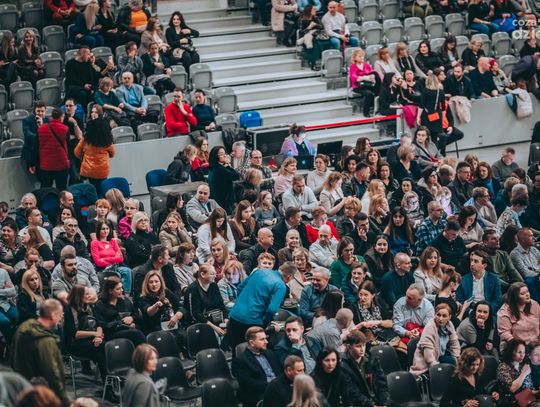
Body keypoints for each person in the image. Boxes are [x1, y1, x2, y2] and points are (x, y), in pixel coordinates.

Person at [12, 299, 69, 407]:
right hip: (43, 395)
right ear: (53, 315)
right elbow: (52, 373)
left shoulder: (22, 329)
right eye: (60, 314)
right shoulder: (46, 341)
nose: (61, 317)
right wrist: (63, 400)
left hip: (25, 388)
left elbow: (13, 357)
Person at [228, 262, 296, 349]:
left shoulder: (259, 271)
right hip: (253, 321)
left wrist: (243, 303)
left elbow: (240, 287)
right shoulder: (281, 285)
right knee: (256, 352)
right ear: (290, 276)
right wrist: (265, 323)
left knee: (237, 350)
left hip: (235, 316)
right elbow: (271, 310)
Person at [63, 285, 106, 381]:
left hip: (90, 341)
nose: (89, 296)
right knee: (103, 347)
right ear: (79, 296)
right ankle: (110, 380)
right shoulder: (69, 310)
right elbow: (74, 334)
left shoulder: (88, 306)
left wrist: (98, 336)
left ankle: (108, 383)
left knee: (100, 354)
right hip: (74, 345)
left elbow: (98, 324)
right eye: (86, 294)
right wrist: (94, 334)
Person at [232, 326, 282, 407]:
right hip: (260, 394)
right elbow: (249, 385)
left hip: (278, 388)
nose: (266, 342)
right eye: (262, 339)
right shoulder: (240, 361)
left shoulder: (269, 353)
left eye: (266, 338)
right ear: (252, 342)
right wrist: (273, 386)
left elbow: (279, 372)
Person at [340, 330, 391, 406]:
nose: (362, 349)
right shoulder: (343, 366)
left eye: (364, 345)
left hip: (378, 400)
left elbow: (382, 384)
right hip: (360, 404)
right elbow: (353, 391)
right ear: (349, 347)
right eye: (358, 346)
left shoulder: (372, 360)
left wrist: (385, 403)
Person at [410, 302, 460, 375]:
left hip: (440, 357)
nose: (440, 318)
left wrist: (456, 359)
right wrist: (438, 370)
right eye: (438, 315)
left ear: (449, 317)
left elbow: (454, 343)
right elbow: (429, 357)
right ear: (435, 314)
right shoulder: (430, 328)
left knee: (454, 364)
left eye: (444, 316)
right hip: (426, 364)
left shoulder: (449, 325)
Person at [94, 276, 146, 345]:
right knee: (136, 334)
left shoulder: (126, 301)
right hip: (111, 333)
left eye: (121, 288)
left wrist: (132, 318)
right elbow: (102, 325)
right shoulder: (100, 304)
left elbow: (137, 316)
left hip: (128, 329)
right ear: (110, 291)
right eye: (118, 289)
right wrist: (122, 323)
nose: (121, 290)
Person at [139, 271, 185, 335]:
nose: (154, 284)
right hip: (155, 329)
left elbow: (180, 307)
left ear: (161, 282)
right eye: (151, 282)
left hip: (172, 325)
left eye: (156, 281)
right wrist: (155, 306)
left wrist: (177, 316)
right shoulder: (143, 297)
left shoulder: (166, 292)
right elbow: (148, 312)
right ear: (147, 284)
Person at [497, 282, 540, 351]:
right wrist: (520, 347)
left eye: (527, 291)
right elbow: (504, 333)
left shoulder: (534, 305)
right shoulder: (504, 311)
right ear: (515, 297)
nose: (527, 294)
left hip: (536, 345)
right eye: (522, 294)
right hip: (516, 348)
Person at [37, 108, 70, 191]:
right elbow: (68, 144)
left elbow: (36, 146)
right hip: (61, 163)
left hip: (46, 164)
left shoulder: (41, 129)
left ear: (52, 117)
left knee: (45, 190)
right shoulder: (65, 129)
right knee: (62, 190)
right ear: (61, 117)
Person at [496, 339, 536, 405]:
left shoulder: (523, 365)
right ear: (511, 351)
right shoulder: (503, 367)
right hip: (512, 401)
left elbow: (529, 387)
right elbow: (512, 388)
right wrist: (524, 373)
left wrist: (537, 392)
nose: (522, 355)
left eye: (524, 352)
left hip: (528, 399)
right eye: (519, 352)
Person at [208, 146, 240, 214]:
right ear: (216, 156)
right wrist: (228, 165)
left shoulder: (213, 168)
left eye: (225, 153)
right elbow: (236, 176)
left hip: (218, 201)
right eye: (222, 154)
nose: (225, 156)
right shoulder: (220, 169)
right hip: (224, 203)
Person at [298, 5, 331, 71]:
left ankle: (321, 62)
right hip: (305, 37)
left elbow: (321, 27)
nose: (315, 10)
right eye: (313, 9)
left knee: (323, 43)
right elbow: (301, 32)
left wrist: (315, 25)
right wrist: (309, 27)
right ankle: (313, 64)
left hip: (315, 35)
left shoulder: (315, 18)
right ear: (309, 10)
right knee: (315, 45)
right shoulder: (301, 19)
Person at [349, 48, 379, 117]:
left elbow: (372, 72)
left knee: (379, 90)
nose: (362, 58)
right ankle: (366, 112)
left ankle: (376, 108)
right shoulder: (352, 67)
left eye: (362, 56)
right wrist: (364, 77)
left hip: (368, 84)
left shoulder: (366, 65)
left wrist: (372, 76)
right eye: (360, 56)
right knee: (369, 94)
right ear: (355, 58)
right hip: (358, 86)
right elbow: (354, 78)